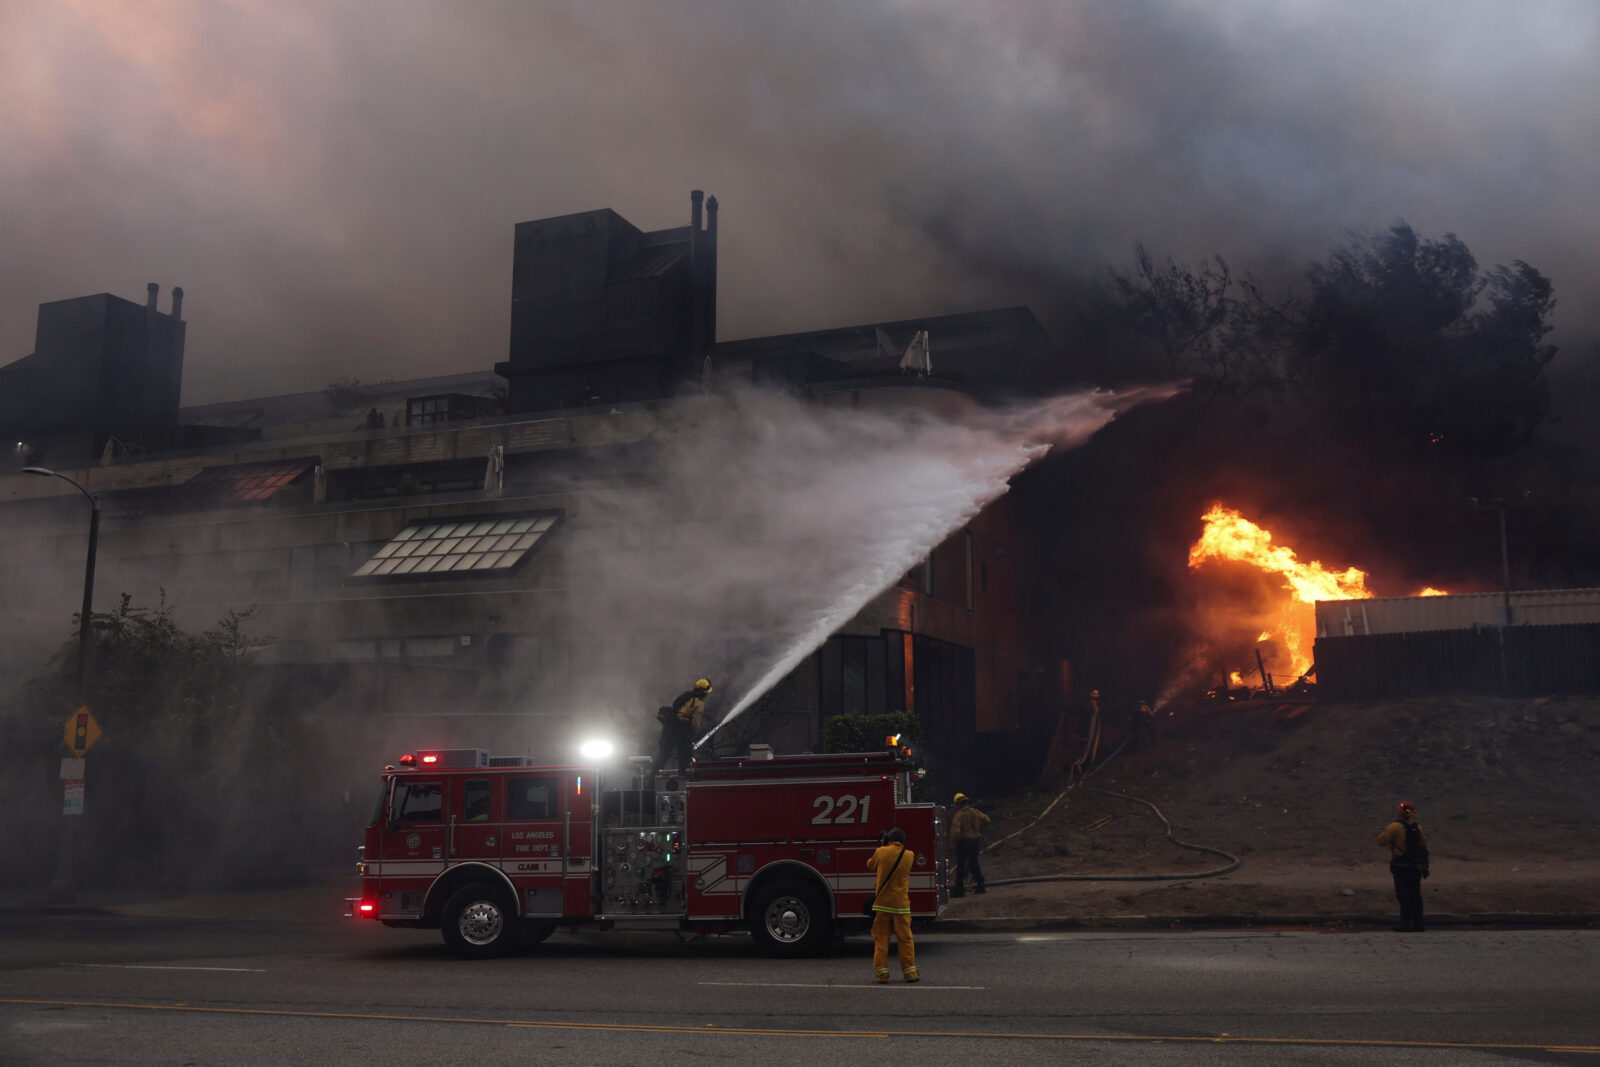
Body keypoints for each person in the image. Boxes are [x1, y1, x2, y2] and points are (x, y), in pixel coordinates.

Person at [867, 828, 919, 983]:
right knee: (905, 939)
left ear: (889, 839)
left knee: (881, 940)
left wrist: (883, 845)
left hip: (882, 905)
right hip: (901, 905)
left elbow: (870, 865)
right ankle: (910, 973)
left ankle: (882, 975)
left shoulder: (881, 852)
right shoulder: (909, 855)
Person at [1378, 801, 1430, 931]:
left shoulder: (1394, 827)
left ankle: (1406, 923)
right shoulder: (1418, 829)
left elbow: (1381, 842)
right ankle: (1418, 924)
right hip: (1416, 867)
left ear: (1401, 813)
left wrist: (1382, 833)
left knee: (1403, 895)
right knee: (1416, 895)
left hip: (1401, 867)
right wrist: (1425, 867)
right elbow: (1425, 849)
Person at [652, 678, 712, 776]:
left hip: (668, 728)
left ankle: (651, 781)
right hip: (681, 731)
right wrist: (692, 733)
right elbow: (695, 723)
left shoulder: (685, 696)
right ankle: (683, 780)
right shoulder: (699, 703)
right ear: (704, 692)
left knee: (662, 756)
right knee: (684, 759)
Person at [948, 792, 989, 897]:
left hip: (963, 842)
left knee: (961, 865)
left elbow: (955, 832)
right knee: (974, 863)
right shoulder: (975, 812)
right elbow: (987, 819)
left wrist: (952, 844)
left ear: (958, 803)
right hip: (975, 841)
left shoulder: (959, 815)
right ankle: (981, 886)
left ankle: (959, 890)